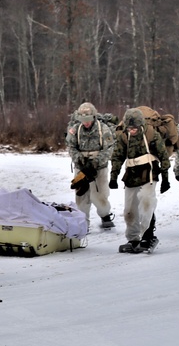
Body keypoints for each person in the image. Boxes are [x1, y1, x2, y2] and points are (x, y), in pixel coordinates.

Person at [109, 107, 170, 253]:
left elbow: (163, 156)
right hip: (132, 174)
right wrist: (113, 176)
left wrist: (165, 179)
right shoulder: (123, 136)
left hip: (149, 172)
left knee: (146, 201)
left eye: (135, 128)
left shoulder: (151, 135)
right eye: (129, 128)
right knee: (129, 210)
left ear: (141, 125)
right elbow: (117, 157)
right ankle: (133, 238)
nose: (132, 130)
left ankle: (147, 236)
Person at [65, 101, 115, 229]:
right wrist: (79, 159)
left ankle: (105, 215)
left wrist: (96, 162)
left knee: (100, 196)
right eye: (83, 120)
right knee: (81, 196)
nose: (86, 123)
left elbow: (109, 148)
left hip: (98, 167)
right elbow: (71, 146)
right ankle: (83, 224)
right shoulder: (75, 129)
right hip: (81, 166)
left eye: (88, 119)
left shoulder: (102, 128)